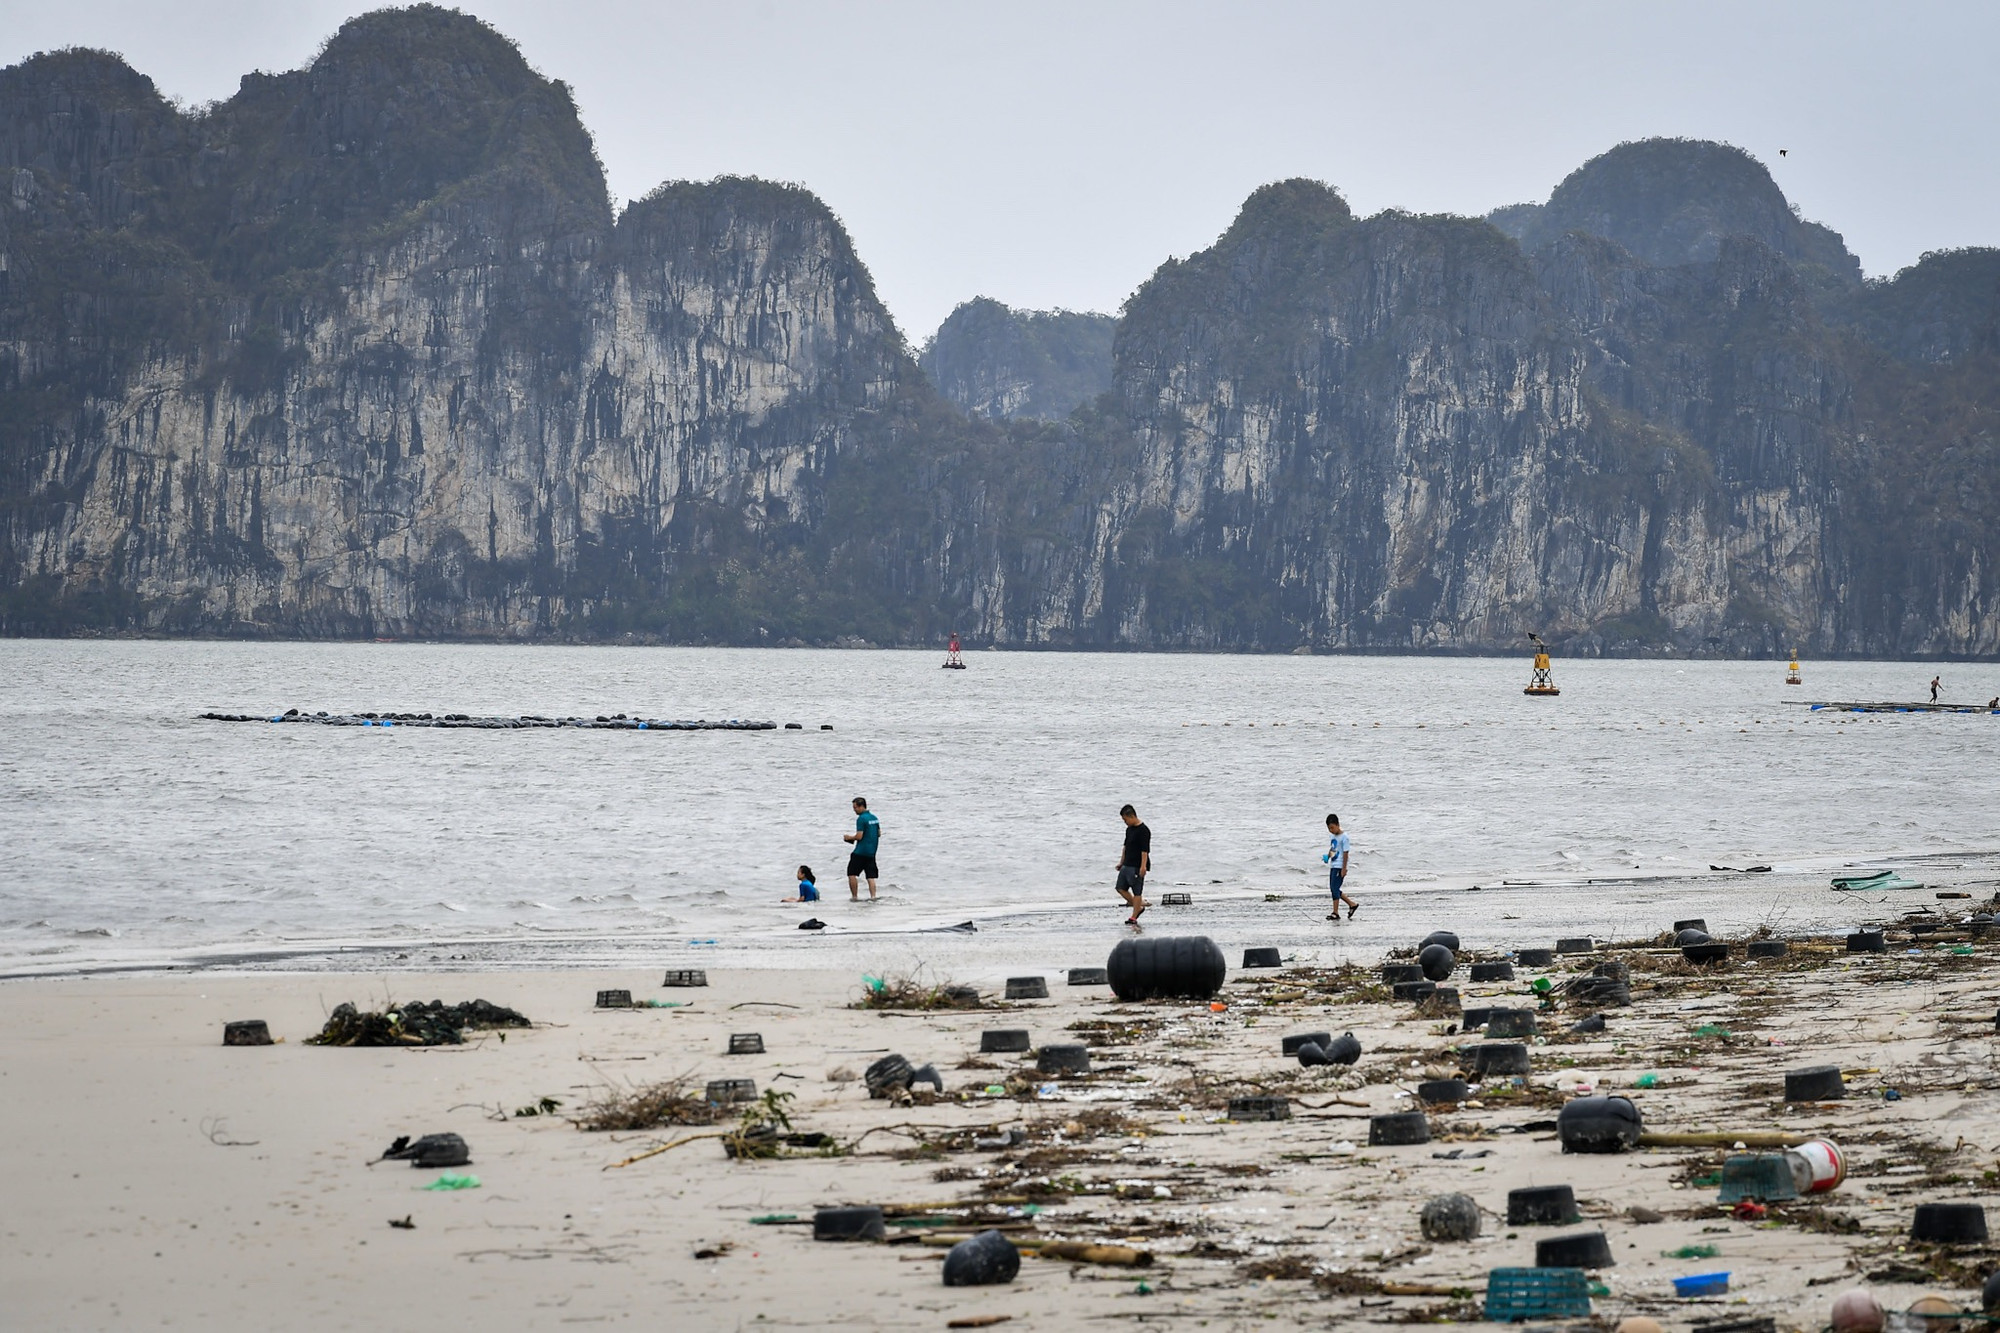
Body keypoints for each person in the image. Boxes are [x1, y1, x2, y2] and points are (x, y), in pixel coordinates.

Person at [1114, 803, 1150, 925]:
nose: (1125, 822)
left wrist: (1143, 866)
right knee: (1120, 888)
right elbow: (1125, 847)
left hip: (1137, 865)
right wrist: (1121, 862)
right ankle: (1138, 907)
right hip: (1127, 863)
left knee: (1137, 891)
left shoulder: (1144, 830)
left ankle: (1134, 916)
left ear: (1131, 816)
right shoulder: (1129, 829)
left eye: (1125, 819)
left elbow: (1145, 850)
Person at [843, 797, 881, 901]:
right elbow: (878, 834)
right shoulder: (874, 818)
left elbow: (859, 836)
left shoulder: (861, 819)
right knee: (870, 876)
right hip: (872, 851)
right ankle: (873, 896)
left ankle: (854, 897)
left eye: (855, 808)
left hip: (860, 851)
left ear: (861, 806)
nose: (854, 810)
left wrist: (849, 838)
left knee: (851, 873)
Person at [1324, 813, 1359, 921]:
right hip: (1333, 865)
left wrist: (1344, 868)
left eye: (1332, 828)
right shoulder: (1333, 836)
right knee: (1333, 889)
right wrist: (1328, 856)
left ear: (1338, 825)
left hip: (1340, 866)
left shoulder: (1344, 837)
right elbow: (1333, 849)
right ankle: (1352, 904)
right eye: (1329, 828)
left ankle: (1335, 912)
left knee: (1335, 888)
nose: (1331, 830)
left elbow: (1345, 853)